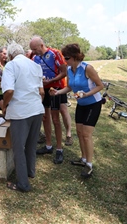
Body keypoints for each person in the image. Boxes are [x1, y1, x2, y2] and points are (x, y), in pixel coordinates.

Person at [51, 43, 104, 178]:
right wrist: (57, 93)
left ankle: (89, 165)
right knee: (79, 133)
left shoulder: (87, 68)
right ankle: (83, 159)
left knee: (86, 134)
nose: (65, 61)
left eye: (67, 58)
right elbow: (69, 87)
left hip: (93, 103)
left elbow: (100, 86)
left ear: (75, 57)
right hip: (81, 104)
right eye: (64, 58)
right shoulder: (69, 69)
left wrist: (87, 94)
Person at [2, 42, 44, 192]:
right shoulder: (35, 65)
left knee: (19, 148)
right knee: (32, 145)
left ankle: (22, 184)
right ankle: (30, 172)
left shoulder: (11, 66)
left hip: (20, 112)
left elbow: (8, 91)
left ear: (11, 55)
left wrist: (4, 105)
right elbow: (42, 92)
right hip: (37, 109)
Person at [29, 36, 72, 164]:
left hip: (56, 89)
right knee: (45, 118)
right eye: (32, 49)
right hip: (42, 90)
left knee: (55, 119)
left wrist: (52, 80)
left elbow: (64, 72)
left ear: (41, 45)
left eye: (35, 49)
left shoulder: (55, 53)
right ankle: (48, 145)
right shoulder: (34, 57)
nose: (34, 52)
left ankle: (59, 149)